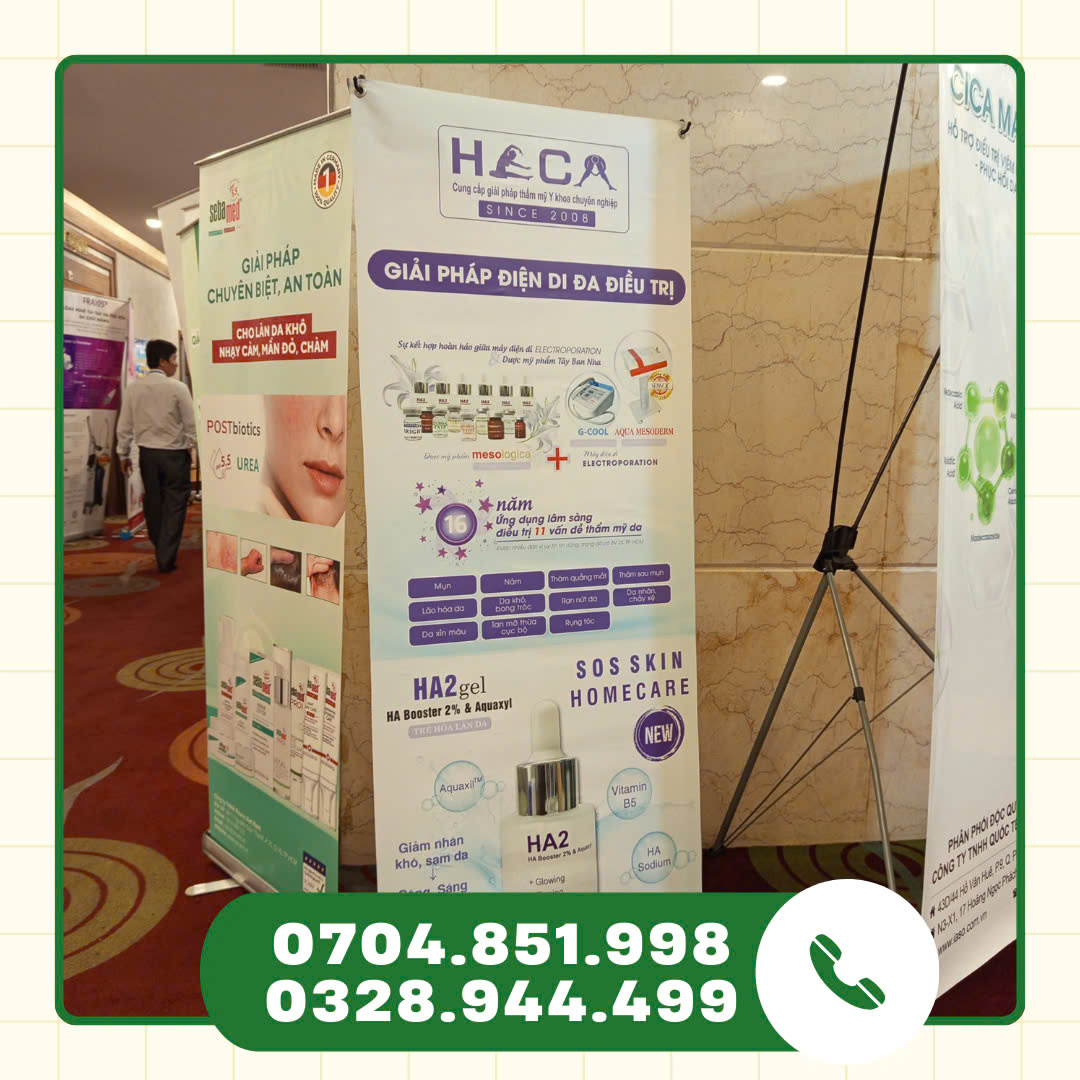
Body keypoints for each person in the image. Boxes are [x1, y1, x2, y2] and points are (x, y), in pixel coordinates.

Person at [116, 339, 196, 573]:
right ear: (162, 361)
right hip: (175, 455)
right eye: (173, 359)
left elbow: (124, 425)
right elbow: (192, 425)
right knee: (175, 504)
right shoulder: (178, 388)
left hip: (148, 456)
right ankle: (165, 555)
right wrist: (196, 448)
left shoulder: (134, 389)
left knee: (153, 501)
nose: (176, 364)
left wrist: (123, 453)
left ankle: (159, 543)